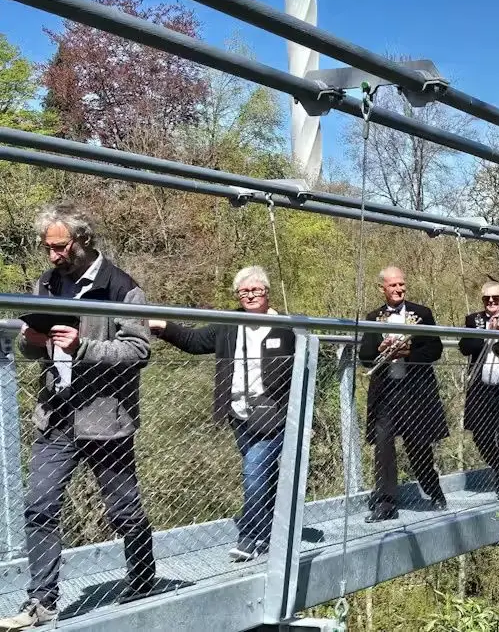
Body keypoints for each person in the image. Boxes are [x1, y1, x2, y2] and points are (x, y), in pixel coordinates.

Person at [1, 205, 157, 630]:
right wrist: (32, 342)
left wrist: (82, 347)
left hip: (105, 420)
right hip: (55, 413)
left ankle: (143, 577)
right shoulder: (46, 284)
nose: (52, 255)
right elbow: (30, 346)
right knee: (39, 505)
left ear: (83, 240)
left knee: (124, 510)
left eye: (60, 247)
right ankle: (41, 602)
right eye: (46, 247)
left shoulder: (121, 287)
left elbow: (139, 350)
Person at [148, 266, 294, 561]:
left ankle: (249, 537)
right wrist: (163, 326)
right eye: (243, 291)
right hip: (239, 415)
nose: (250, 295)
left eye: (255, 290)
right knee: (264, 475)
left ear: (267, 292)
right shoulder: (228, 324)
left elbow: (306, 364)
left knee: (254, 469)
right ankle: (272, 531)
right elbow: (195, 342)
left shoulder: (287, 327)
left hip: (275, 415)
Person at [358, 267, 448, 520]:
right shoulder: (373, 317)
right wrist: (381, 349)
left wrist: (407, 353)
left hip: (415, 393)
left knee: (419, 447)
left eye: (401, 284)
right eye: (393, 285)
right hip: (386, 394)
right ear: (382, 289)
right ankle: (386, 504)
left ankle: (434, 492)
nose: (399, 289)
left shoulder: (422, 314)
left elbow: (435, 350)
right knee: (383, 447)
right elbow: (365, 357)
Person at [459, 281, 499, 499]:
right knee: (480, 436)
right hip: (481, 387)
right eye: (487, 298)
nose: (491, 302)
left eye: (496, 298)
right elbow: (464, 347)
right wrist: (488, 333)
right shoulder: (473, 320)